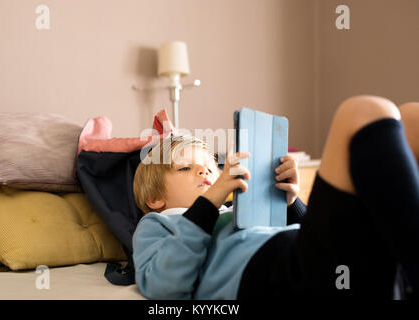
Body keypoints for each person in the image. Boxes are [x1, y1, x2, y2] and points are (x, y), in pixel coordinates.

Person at [132, 95, 419, 299]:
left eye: (209, 168)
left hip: (314, 256)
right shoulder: (159, 222)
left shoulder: (237, 208)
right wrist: (211, 200)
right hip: (271, 273)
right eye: (185, 168)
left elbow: (311, 233)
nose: (205, 174)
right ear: (155, 198)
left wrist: (290, 203)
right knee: (363, 111)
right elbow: (163, 286)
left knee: (410, 117)